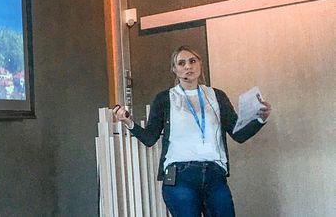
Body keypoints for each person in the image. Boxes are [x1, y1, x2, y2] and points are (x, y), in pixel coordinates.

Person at [112, 45, 272, 217]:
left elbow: (238, 134)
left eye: (192, 61)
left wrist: (260, 119)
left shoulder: (216, 96)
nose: (188, 66)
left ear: (200, 64)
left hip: (214, 174)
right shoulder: (165, 98)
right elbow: (150, 138)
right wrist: (128, 122)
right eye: (181, 63)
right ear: (174, 69)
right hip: (180, 175)